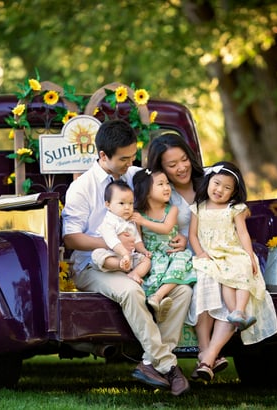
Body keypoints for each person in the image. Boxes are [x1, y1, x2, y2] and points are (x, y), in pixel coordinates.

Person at [62, 119, 191, 396]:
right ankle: (168, 365)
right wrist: (112, 243)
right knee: (132, 292)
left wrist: (179, 235)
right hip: (94, 264)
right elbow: (71, 238)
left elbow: (164, 204)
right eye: (123, 159)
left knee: (181, 290)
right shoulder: (82, 187)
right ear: (103, 156)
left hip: (136, 260)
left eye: (133, 156)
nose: (129, 163)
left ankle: (149, 363)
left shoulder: (135, 176)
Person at [146, 132, 233, 381]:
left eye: (184, 159)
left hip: (218, 249)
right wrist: (180, 237)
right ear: (160, 167)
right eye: (172, 165)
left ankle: (208, 353)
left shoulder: (209, 180)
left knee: (229, 281)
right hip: (183, 254)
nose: (181, 168)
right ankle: (209, 355)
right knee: (206, 278)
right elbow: (154, 223)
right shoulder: (161, 190)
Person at [187, 161, 277, 381]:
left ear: (234, 192)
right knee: (208, 280)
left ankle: (237, 311)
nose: (219, 190)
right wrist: (200, 253)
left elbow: (244, 234)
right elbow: (193, 235)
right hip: (209, 256)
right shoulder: (198, 207)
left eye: (227, 188)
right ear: (208, 182)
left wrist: (249, 255)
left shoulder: (234, 209)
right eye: (216, 184)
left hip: (231, 252)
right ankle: (211, 349)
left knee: (238, 271)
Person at [131, 169, 196, 323]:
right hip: (154, 254)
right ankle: (155, 305)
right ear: (146, 191)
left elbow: (167, 228)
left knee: (179, 265)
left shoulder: (171, 210)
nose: (167, 187)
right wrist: (144, 252)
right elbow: (137, 239)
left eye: (167, 183)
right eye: (161, 184)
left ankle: (158, 296)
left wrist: (144, 221)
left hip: (171, 251)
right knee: (154, 275)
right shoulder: (139, 213)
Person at [91, 180, 151, 281]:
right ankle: (120, 265)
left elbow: (136, 240)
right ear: (108, 205)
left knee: (146, 261)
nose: (127, 207)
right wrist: (124, 254)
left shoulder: (131, 222)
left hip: (128, 257)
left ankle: (134, 273)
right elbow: (112, 241)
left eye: (131, 203)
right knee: (97, 255)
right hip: (110, 254)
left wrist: (144, 251)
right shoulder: (109, 222)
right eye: (121, 203)